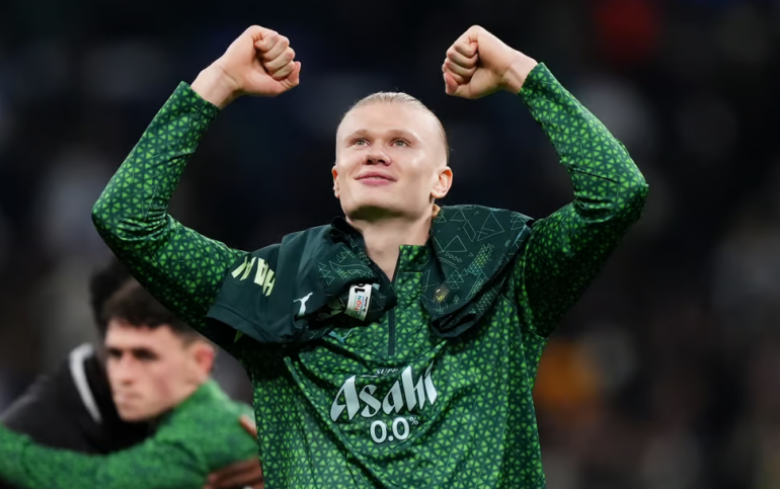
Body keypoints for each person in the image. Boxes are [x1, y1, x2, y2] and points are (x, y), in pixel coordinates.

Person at [91, 24, 648, 488]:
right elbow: (126, 218)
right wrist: (219, 81)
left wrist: (519, 73)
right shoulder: (273, 288)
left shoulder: (506, 274)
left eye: (401, 142)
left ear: (441, 180)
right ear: (337, 180)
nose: (376, 152)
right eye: (358, 142)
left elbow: (616, 194)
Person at [0, 273, 262, 489]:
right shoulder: (227, 418)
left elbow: (92, 481)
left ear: (200, 362)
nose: (123, 375)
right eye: (115, 354)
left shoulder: (196, 440)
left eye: (145, 356)